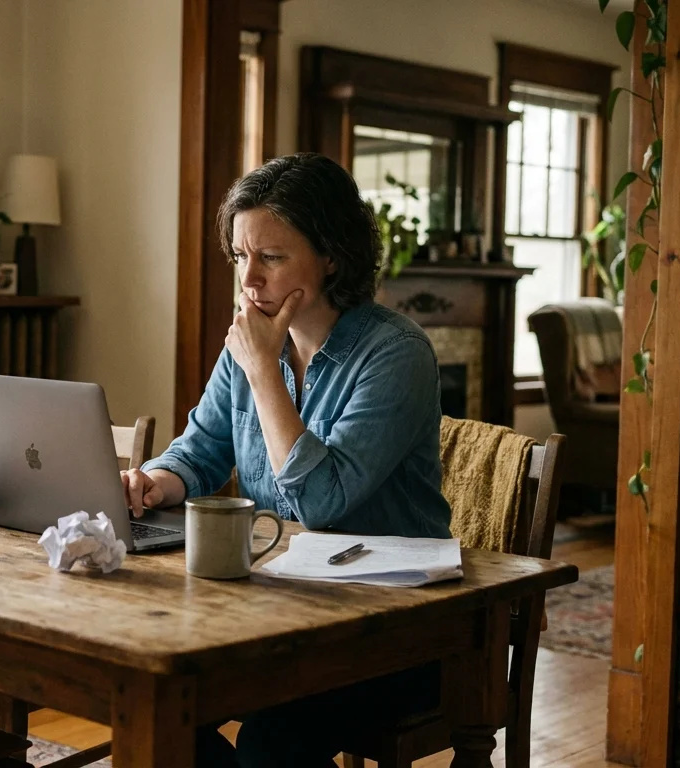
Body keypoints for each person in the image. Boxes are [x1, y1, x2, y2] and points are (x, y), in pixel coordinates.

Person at [120, 152, 452, 767]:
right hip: (277, 613)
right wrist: (153, 483)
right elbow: (200, 449)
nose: (250, 281)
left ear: (332, 257)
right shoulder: (252, 338)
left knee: (271, 743)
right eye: (241, 257)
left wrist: (263, 372)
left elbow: (319, 504)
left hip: (394, 630)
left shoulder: (396, 355)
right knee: (155, 706)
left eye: (271, 258)